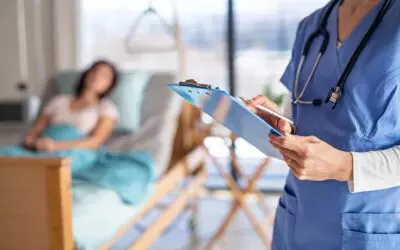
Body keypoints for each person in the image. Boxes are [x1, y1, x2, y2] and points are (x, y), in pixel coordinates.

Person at [246, 0, 400, 249]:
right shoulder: (311, 25)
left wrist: (345, 166)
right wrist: (279, 125)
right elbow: (301, 115)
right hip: (298, 217)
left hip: (369, 228)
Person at [24, 60, 119, 152]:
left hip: (77, 151)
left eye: (104, 76)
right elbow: (37, 128)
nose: (97, 76)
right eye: (95, 71)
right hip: (43, 145)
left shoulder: (107, 108)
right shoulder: (59, 100)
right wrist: (31, 141)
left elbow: (95, 142)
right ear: (86, 74)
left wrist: (55, 146)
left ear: (110, 85)